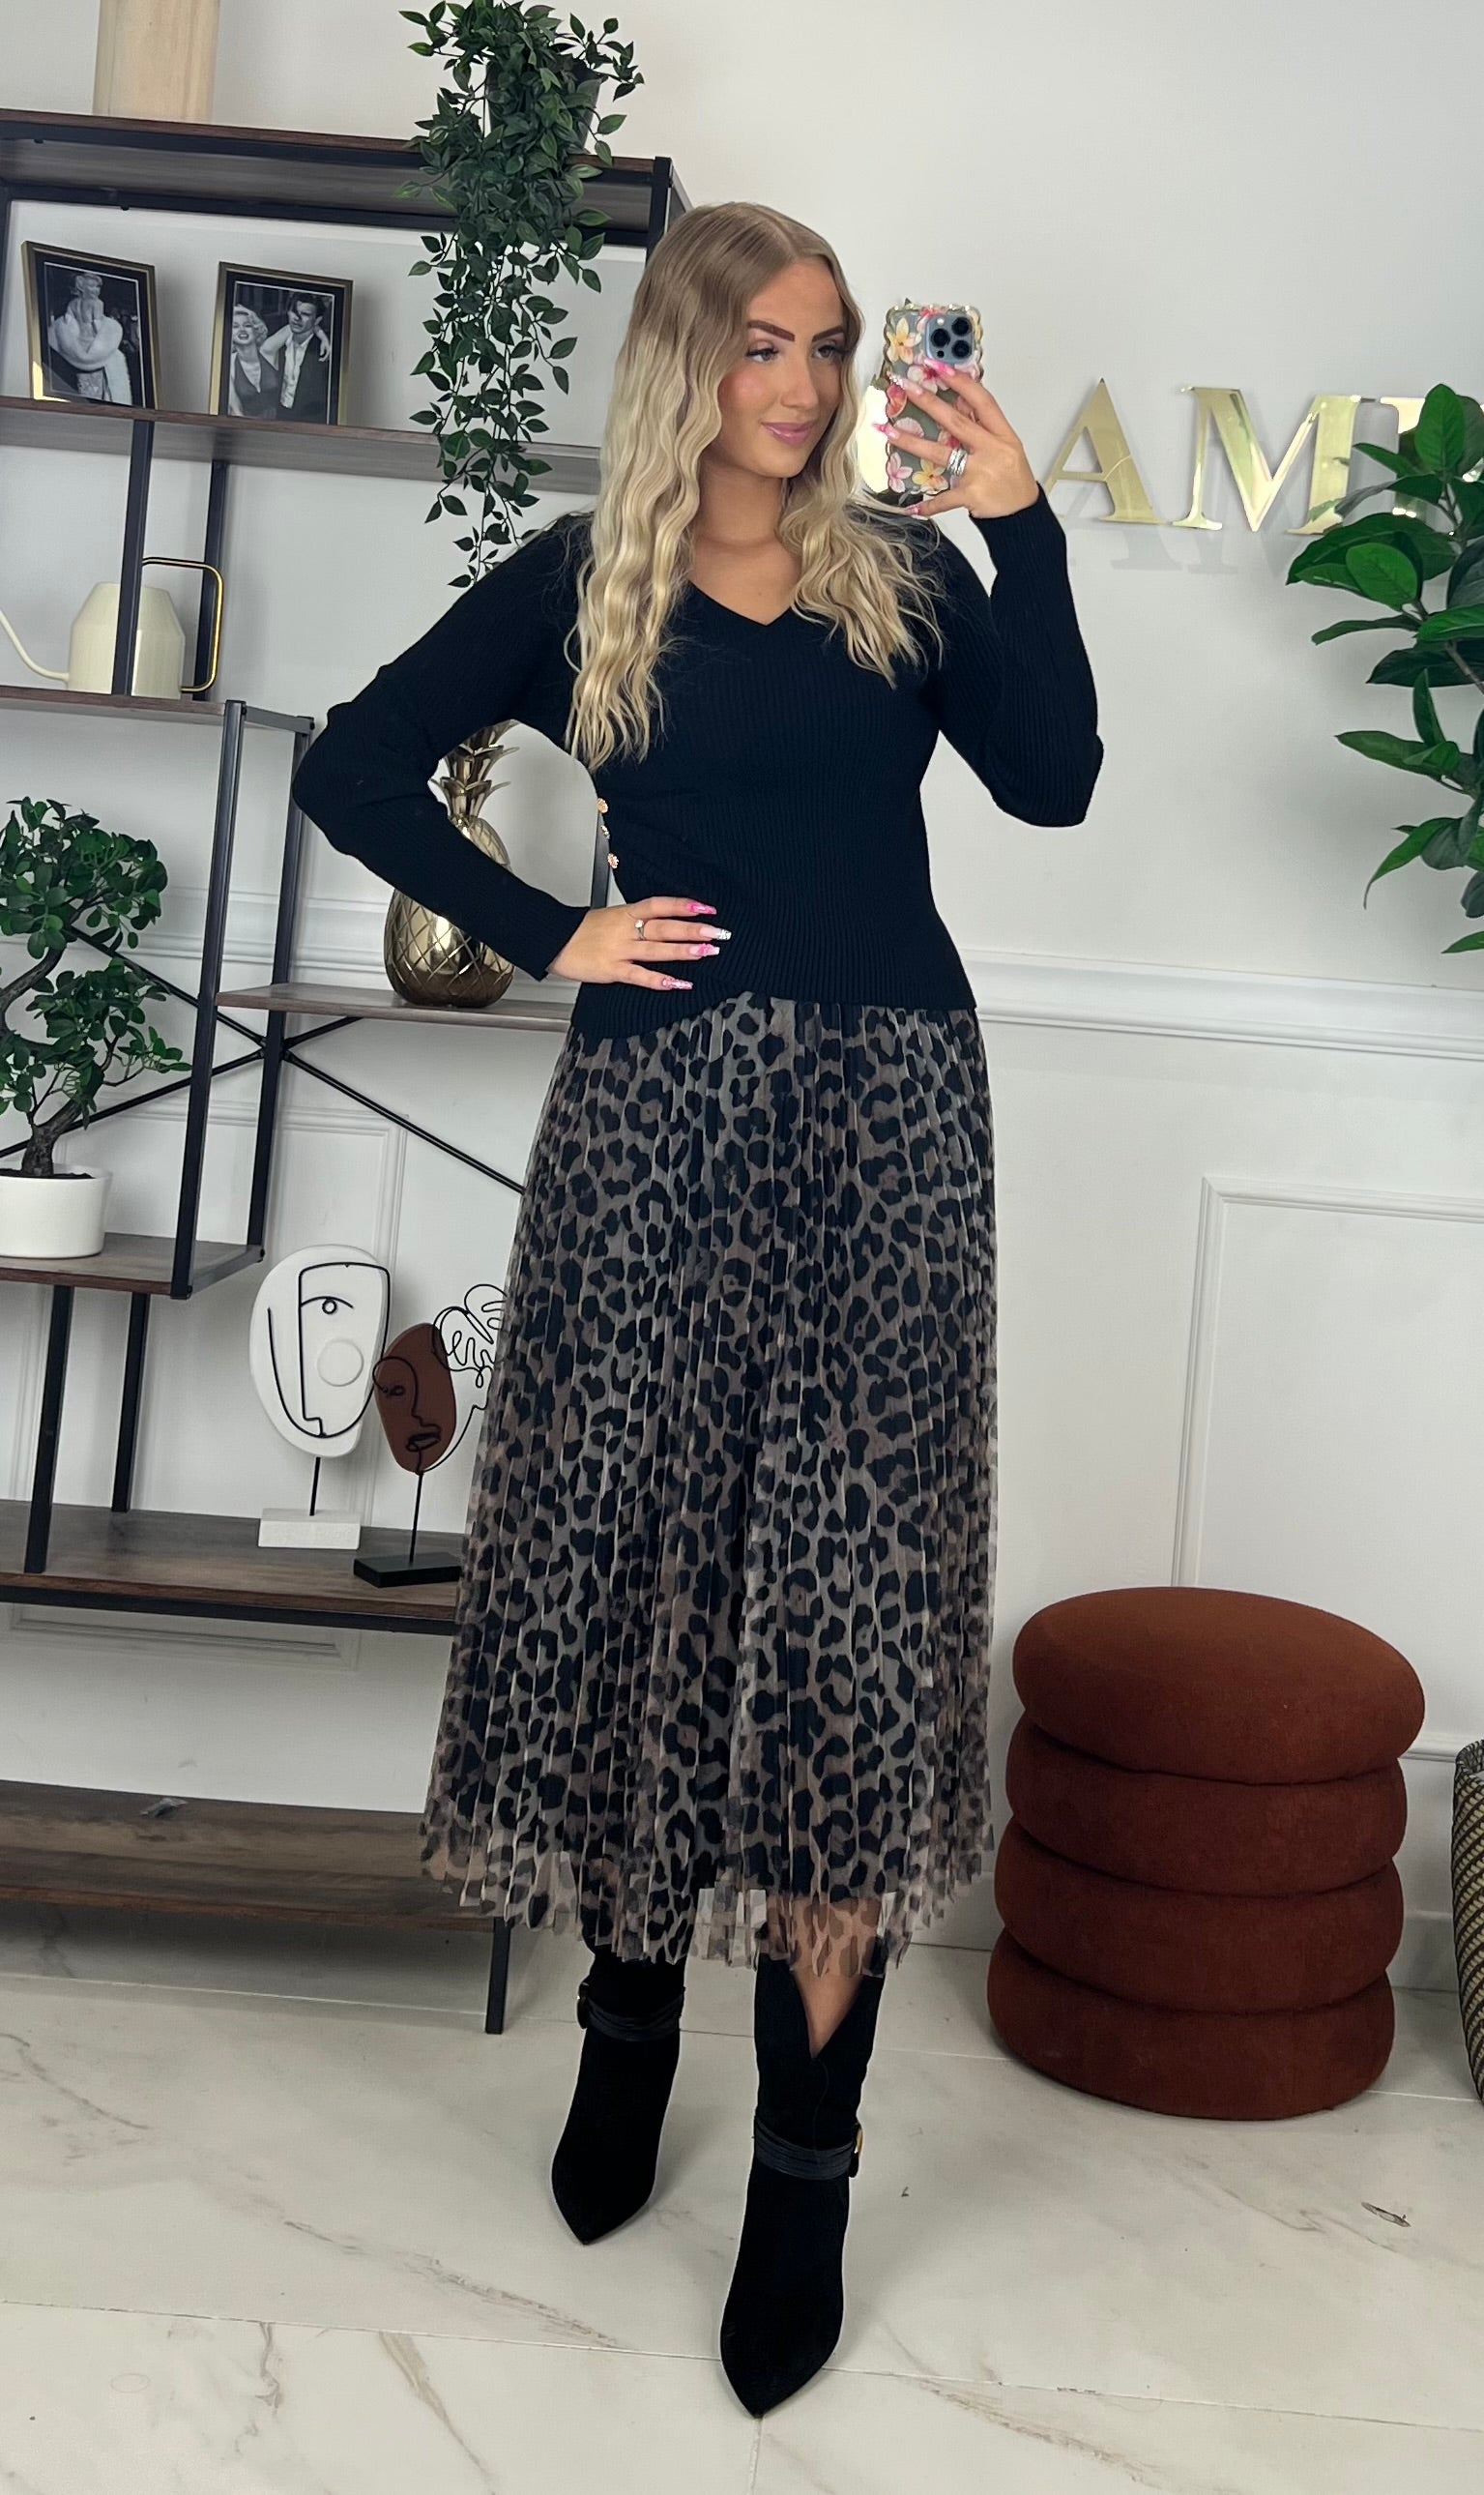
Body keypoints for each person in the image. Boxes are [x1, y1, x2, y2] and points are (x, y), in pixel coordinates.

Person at [291, 199, 1102, 2418]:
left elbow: (1051, 781)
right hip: (653, 1127)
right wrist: (549, 929)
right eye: (762, 343)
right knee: (645, 1580)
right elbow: (348, 764)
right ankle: (628, 2026)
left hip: (893, 1127)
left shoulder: (902, 574)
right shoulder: (581, 583)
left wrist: (1022, 524)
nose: (804, 385)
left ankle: (808, 2166)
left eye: (828, 346)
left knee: (846, 1628)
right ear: (683, 356)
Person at [46, 267, 135, 403]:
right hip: (88, 339)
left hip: (82, 341)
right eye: (92, 287)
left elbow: (70, 319)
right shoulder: (95, 304)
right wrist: (102, 331)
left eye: (97, 287)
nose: (96, 290)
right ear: (82, 287)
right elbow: (95, 322)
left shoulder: (76, 303)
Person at [262, 293, 333, 421]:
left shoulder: (323, 352)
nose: (297, 318)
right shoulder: (279, 344)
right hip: (279, 417)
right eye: (294, 311)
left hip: (310, 423)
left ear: (317, 320)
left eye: (305, 314)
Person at [223, 303, 284, 420]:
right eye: (235, 326)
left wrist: (251, 314)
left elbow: (291, 328)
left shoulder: (268, 351)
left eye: (247, 325)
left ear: (256, 330)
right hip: (247, 425)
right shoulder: (229, 364)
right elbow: (236, 410)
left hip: (279, 424)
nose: (242, 330)